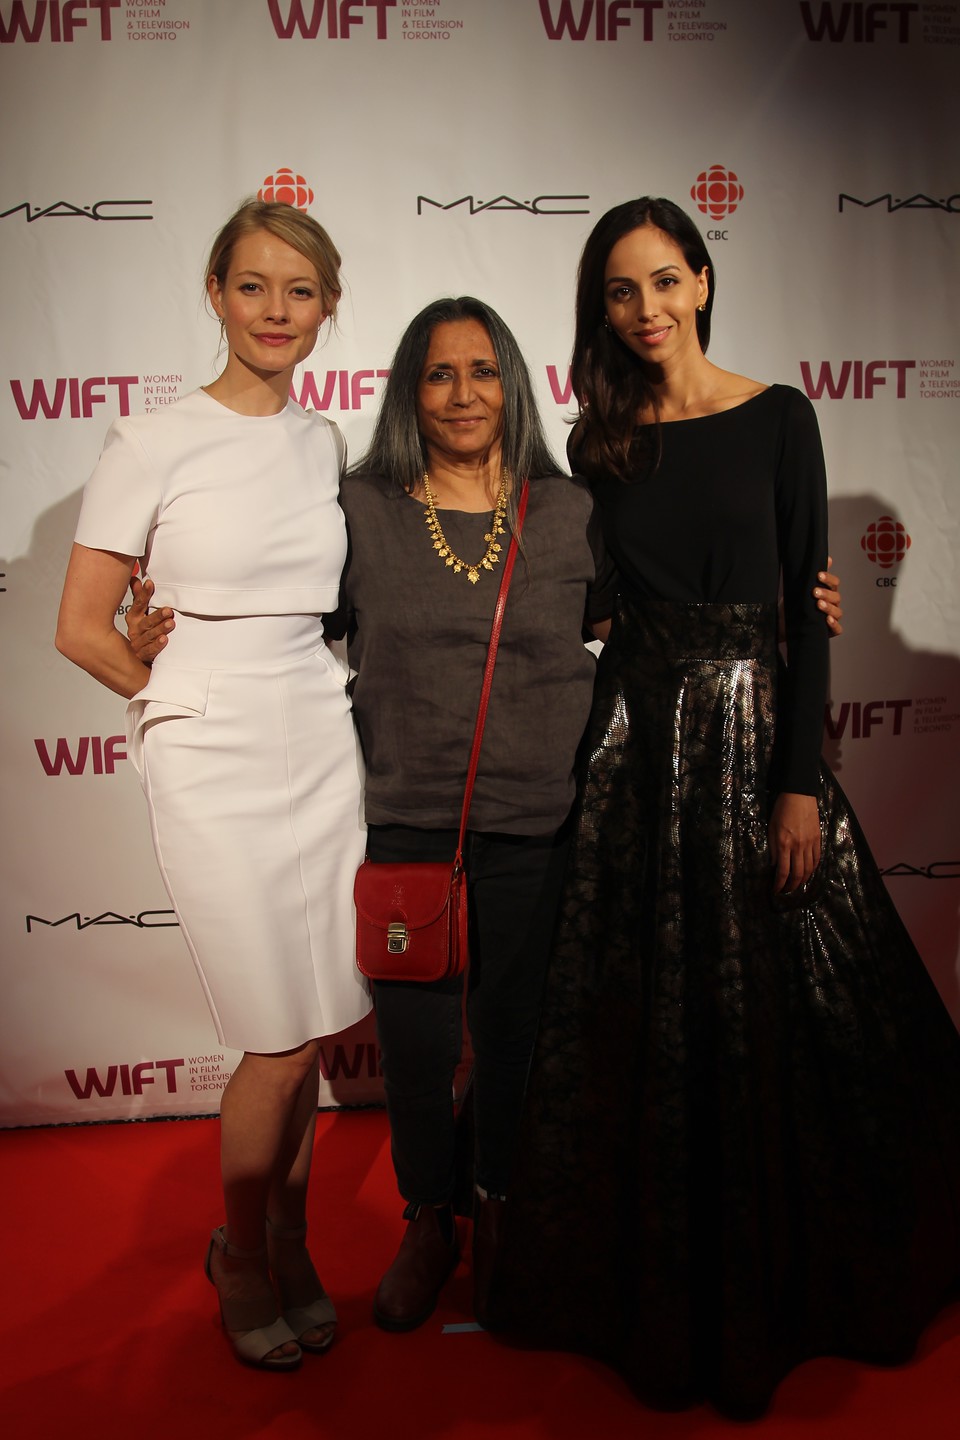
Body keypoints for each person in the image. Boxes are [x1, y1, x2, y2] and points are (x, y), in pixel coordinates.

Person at [127, 293, 843, 1334]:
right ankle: (431, 1222)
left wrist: (798, 597)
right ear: (409, 392)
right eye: (439, 374)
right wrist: (163, 634)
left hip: (541, 826)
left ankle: (502, 1217)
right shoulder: (360, 507)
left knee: (511, 1046)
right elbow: (275, 616)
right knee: (416, 1055)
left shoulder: (573, 508)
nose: (464, 394)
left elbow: (662, 605)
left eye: (483, 370)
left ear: (513, 382)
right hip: (405, 827)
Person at [485, 198, 960, 1416]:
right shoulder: (601, 441)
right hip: (636, 750)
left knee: (803, 1007)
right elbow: (594, 604)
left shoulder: (779, 417)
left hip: (756, 740)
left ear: (701, 280)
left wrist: (798, 783)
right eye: (618, 293)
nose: (644, 310)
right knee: (634, 1016)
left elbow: (809, 607)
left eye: (662, 282)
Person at [55, 200, 370, 1371]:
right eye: (253, 286)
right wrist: (169, 690)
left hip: (319, 735)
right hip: (211, 749)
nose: (276, 311)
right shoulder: (151, 440)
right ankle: (242, 1251)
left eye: (299, 291)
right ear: (215, 292)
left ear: (327, 308)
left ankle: (287, 1243)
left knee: (314, 1021)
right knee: (272, 1037)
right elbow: (82, 628)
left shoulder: (321, 442)